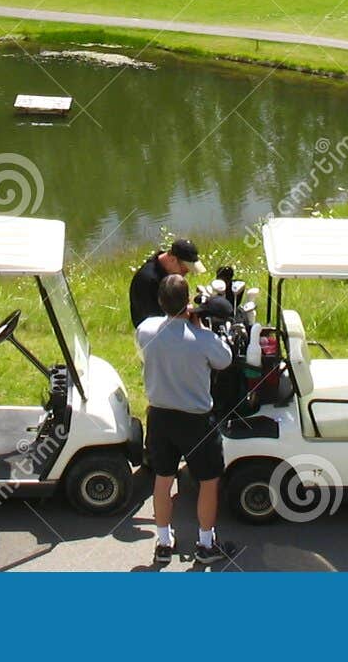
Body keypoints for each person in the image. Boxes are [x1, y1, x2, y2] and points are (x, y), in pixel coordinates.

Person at [136, 273, 235, 567]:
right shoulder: (204, 340)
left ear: (159, 301)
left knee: (163, 479)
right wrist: (200, 326)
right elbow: (225, 360)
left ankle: (164, 541)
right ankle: (205, 543)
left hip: (160, 416)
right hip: (196, 421)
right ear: (188, 301)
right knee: (207, 481)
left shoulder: (145, 330)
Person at [128, 238, 203, 328]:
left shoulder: (166, 271)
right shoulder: (147, 280)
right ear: (173, 259)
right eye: (184, 270)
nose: (185, 274)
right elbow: (152, 321)